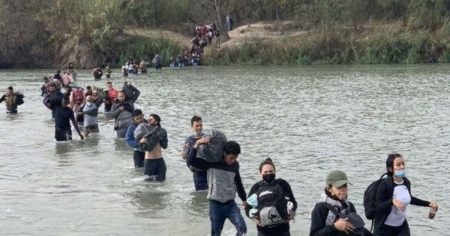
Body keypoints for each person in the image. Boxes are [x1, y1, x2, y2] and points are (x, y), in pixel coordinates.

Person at [187, 139, 247, 236]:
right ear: (224, 153)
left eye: (235, 158)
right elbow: (191, 161)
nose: (233, 160)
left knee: (242, 229)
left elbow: (238, 183)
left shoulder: (235, 165)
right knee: (216, 233)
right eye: (231, 158)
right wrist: (197, 144)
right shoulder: (211, 162)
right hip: (215, 205)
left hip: (230, 205)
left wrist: (244, 199)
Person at [373, 153, 438, 236]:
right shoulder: (384, 184)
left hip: (401, 227)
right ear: (390, 169)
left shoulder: (406, 182)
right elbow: (378, 206)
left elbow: (410, 199)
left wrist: (428, 204)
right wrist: (392, 201)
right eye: (398, 165)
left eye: (403, 164)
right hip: (384, 229)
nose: (402, 167)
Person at [310, 170, 372, 236]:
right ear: (329, 189)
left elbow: (357, 229)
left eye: (345, 185)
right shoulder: (321, 208)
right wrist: (335, 227)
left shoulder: (349, 206)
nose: (343, 189)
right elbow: (314, 234)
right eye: (339, 187)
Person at [245, 158, 297, 236]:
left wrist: (291, 214)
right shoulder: (256, 187)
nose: (268, 174)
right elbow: (247, 207)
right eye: (265, 172)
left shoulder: (283, 184)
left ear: (275, 172)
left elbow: (293, 202)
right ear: (261, 173)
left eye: (271, 171)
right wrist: (254, 220)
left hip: (283, 230)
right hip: (263, 231)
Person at [181, 115, 208, 191]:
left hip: (209, 169)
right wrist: (183, 154)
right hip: (197, 171)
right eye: (197, 126)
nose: (199, 128)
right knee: (200, 193)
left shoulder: (207, 137)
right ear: (192, 127)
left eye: (200, 125)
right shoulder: (189, 139)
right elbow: (185, 157)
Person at [138, 114, 168, 181]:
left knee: (162, 180)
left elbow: (165, 146)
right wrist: (141, 142)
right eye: (148, 119)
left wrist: (160, 138)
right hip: (149, 160)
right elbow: (141, 147)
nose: (148, 120)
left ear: (157, 121)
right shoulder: (144, 130)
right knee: (148, 182)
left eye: (151, 119)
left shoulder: (162, 131)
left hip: (160, 159)